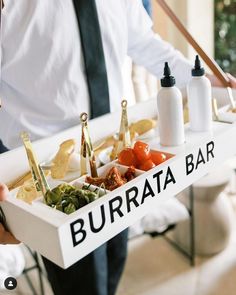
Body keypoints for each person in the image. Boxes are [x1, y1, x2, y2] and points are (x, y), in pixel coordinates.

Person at [0, 1, 236, 295]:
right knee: (84, 287)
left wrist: (201, 79)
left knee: (114, 262)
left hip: (115, 156)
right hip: (46, 178)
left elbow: (144, 42)